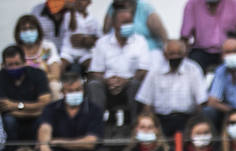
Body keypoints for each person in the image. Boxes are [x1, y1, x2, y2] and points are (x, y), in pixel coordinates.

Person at [88, 4, 151, 133]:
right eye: (124, 22)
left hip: (130, 85)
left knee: (135, 84)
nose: (128, 25)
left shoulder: (140, 41)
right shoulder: (102, 43)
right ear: (115, 24)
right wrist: (107, 81)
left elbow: (143, 70)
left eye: (130, 22)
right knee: (94, 85)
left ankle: (135, 128)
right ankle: (96, 130)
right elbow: (95, 72)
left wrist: (125, 81)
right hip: (107, 86)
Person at [37, 68, 103, 151]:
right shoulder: (52, 108)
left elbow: (91, 142)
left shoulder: (94, 110)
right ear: (63, 92)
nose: (75, 94)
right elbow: (45, 128)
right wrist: (44, 145)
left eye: (78, 90)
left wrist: (59, 142)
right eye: (70, 91)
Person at [135, 39, 205, 137]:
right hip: (161, 120)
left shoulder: (193, 70)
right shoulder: (155, 71)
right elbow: (146, 102)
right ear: (165, 54)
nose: (175, 57)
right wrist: (152, 124)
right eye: (172, 54)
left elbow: (201, 101)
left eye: (179, 53)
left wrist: (196, 124)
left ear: (184, 54)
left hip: (186, 119)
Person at [180, 0, 236, 72]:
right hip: (201, 51)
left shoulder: (234, 2)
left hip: (228, 49)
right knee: (192, 66)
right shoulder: (192, 4)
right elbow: (184, 37)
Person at [2, 44, 53, 145]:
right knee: (8, 121)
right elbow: (4, 108)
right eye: (10, 65)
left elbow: (45, 104)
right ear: (4, 65)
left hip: (36, 119)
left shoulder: (38, 74)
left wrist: (16, 106)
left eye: (17, 64)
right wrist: (34, 110)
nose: (14, 68)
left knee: (43, 121)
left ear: (25, 62)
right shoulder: (1, 77)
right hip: (13, 120)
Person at [100, 0, 168, 52]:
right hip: (119, 53)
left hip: (148, 52)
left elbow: (163, 35)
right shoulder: (112, 7)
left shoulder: (145, 8)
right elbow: (105, 31)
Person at [15, 14, 62, 86]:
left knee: (55, 85)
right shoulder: (14, 50)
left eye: (31, 28)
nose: (28, 32)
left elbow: (55, 75)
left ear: (38, 30)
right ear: (18, 33)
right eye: (24, 29)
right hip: (21, 87)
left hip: (45, 85)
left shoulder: (48, 47)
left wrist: (35, 79)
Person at [55, 0, 100, 71]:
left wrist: (88, 40)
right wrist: (72, 12)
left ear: (89, 2)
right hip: (68, 51)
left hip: (85, 52)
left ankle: (90, 82)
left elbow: (98, 38)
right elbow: (72, 28)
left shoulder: (93, 20)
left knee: (93, 67)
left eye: (83, 1)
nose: (79, 2)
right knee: (60, 66)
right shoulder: (68, 15)